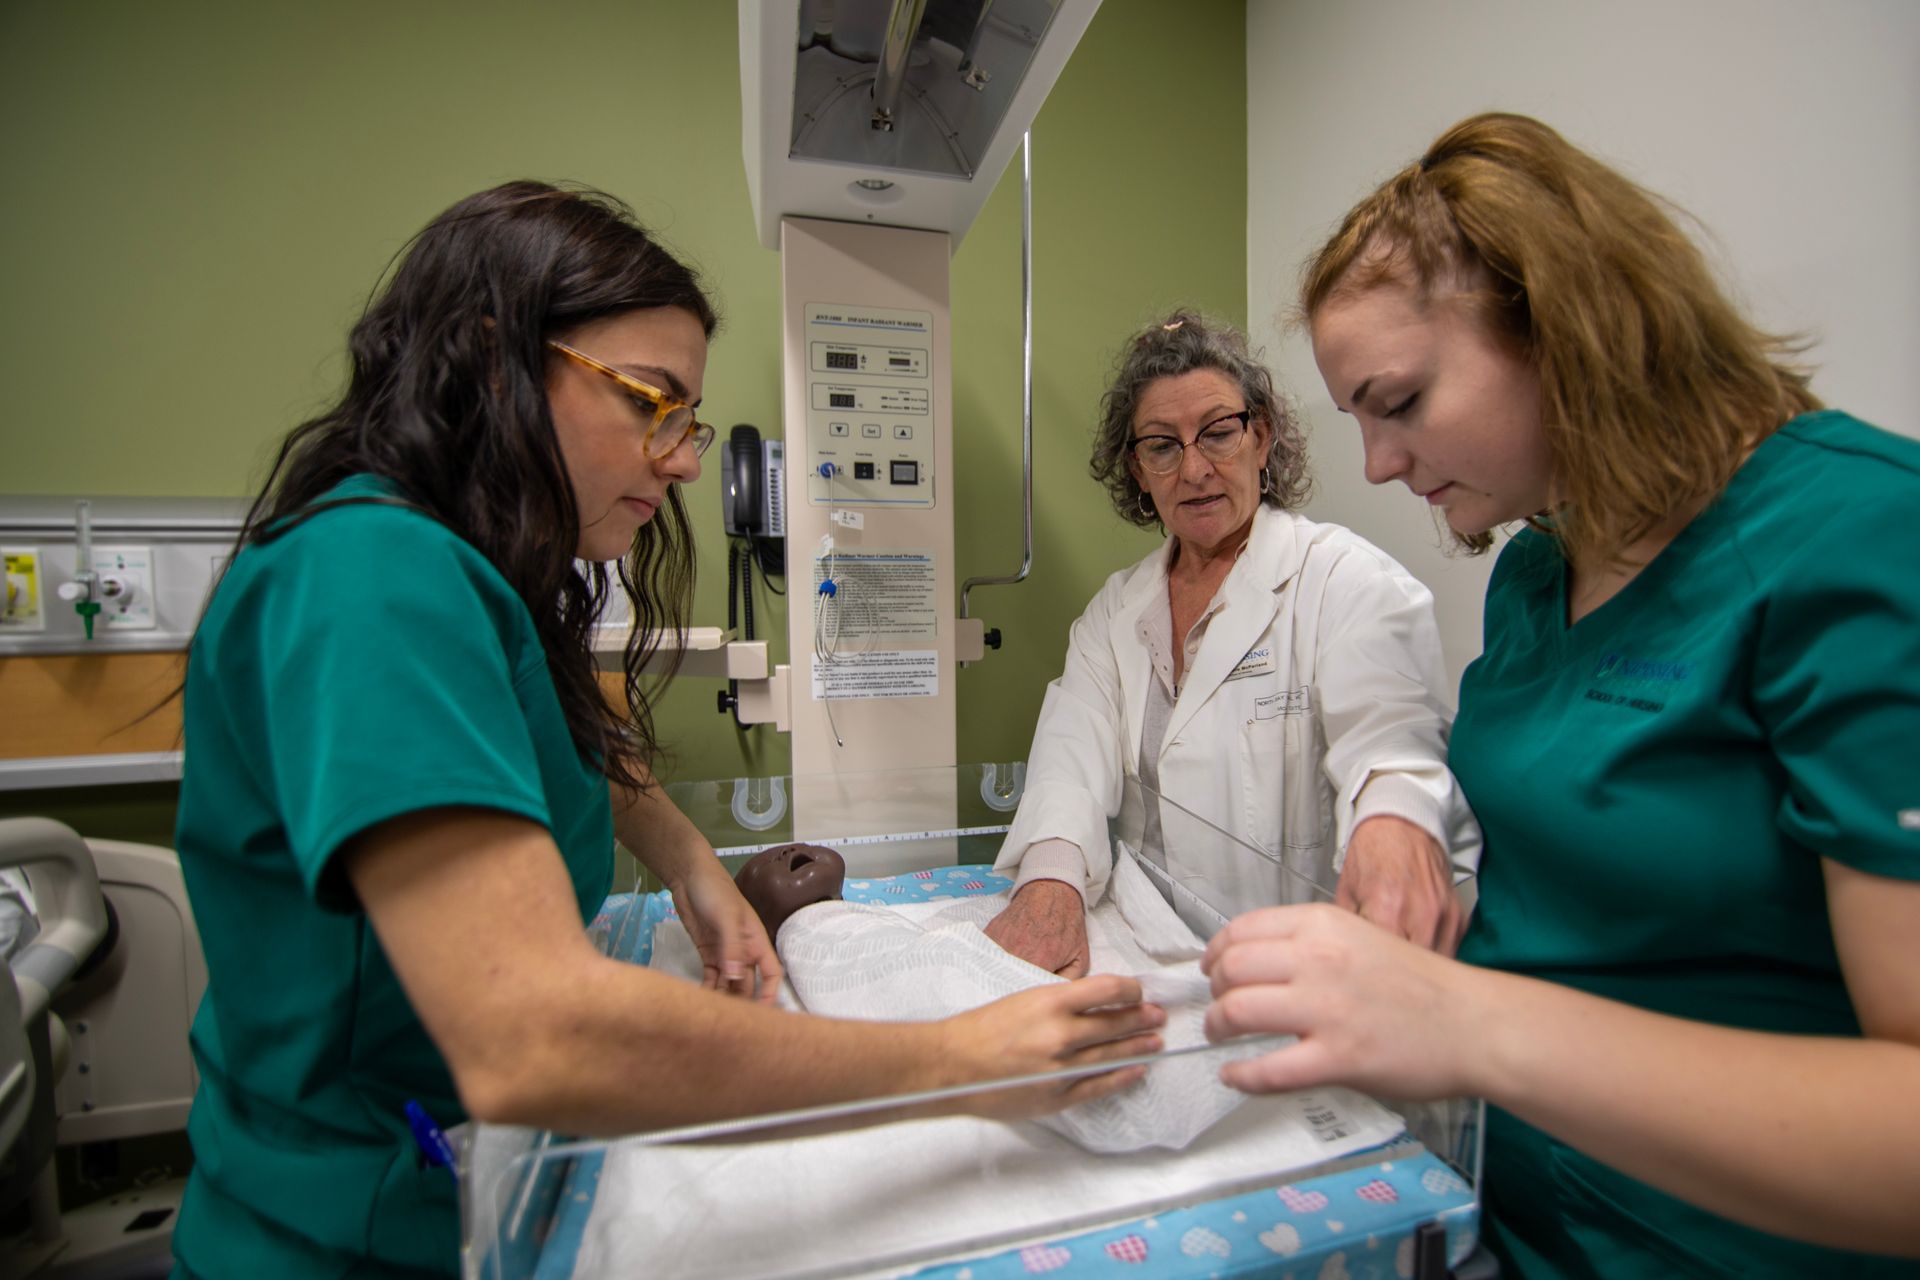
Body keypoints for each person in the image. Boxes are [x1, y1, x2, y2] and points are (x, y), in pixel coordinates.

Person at [168, 182, 1164, 1280]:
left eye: (687, 418)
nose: (686, 458)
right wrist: (957, 1055)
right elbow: (533, 1031)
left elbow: (553, 727)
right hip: (344, 1232)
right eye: (653, 401)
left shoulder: (466, 572)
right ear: (493, 356)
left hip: (452, 1193)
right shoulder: (372, 579)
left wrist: (689, 857)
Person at [1204, 112, 1920, 1275]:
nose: (1378, 464)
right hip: (1504, 1212)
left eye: (1400, 400)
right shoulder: (1540, 567)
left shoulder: (1864, 542)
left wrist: (1461, 1019)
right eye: (1356, 422)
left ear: (1561, 327)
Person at [985, 311, 1482, 976]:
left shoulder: (1345, 583)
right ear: (1137, 469)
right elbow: (1070, 755)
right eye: (1162, 446)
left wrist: (1396, 826)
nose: (1194, 470)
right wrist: (1049, 883)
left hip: (1302, 973)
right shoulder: (1116, 611)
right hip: (1148, 948)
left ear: (1262, 436)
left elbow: (1390, 745)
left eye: (1218, 433)